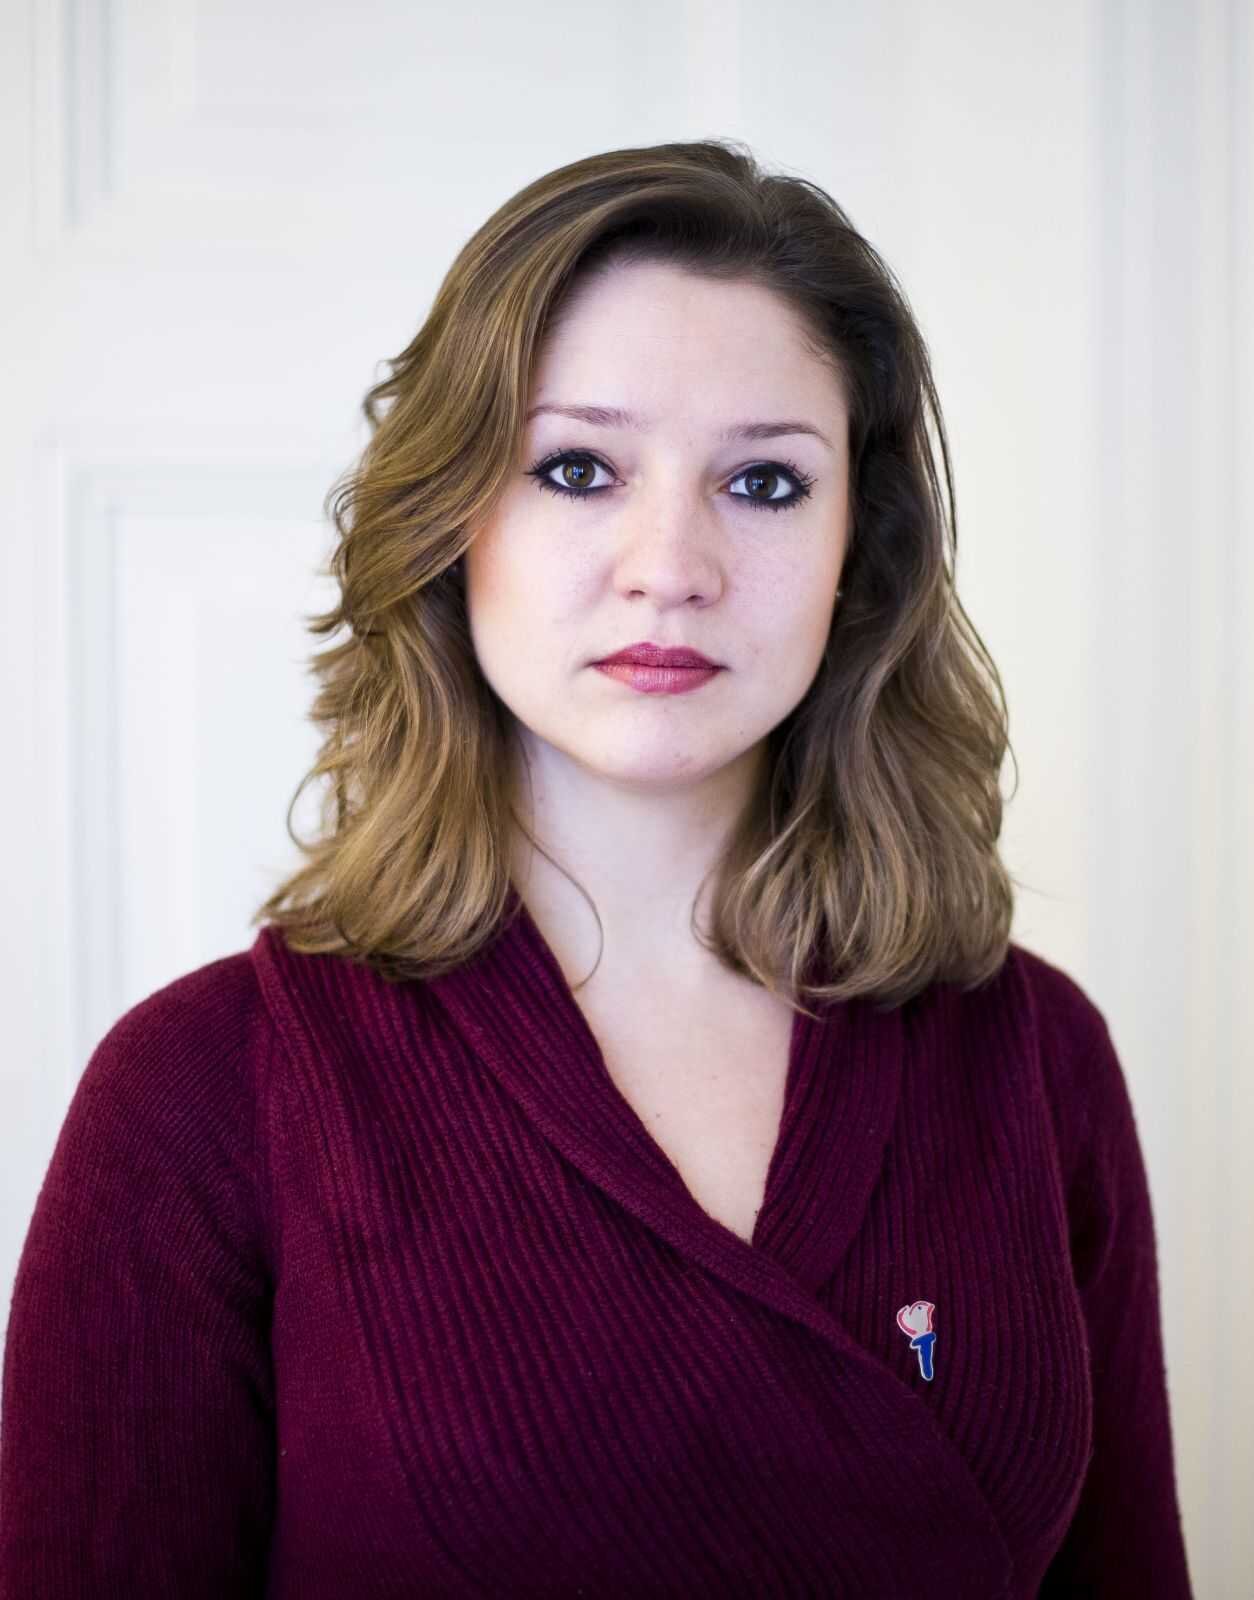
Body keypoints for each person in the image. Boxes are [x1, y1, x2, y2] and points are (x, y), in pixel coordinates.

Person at [0, 139, 1193, 1597]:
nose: (669, 564)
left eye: (764, 481)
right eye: (577, 469)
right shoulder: (198, 1090)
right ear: (452, 523)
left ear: (858, 556)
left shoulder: (1034, 1055)